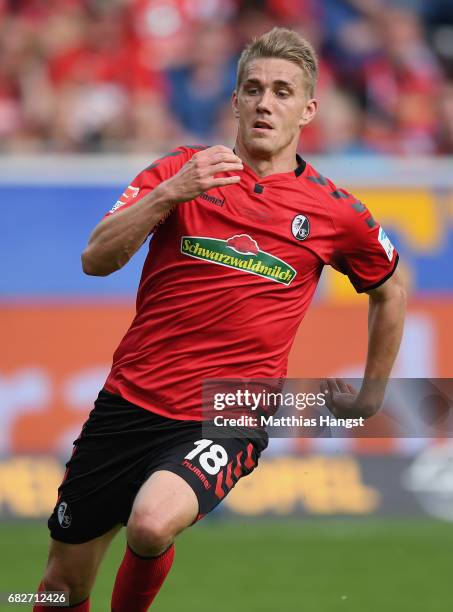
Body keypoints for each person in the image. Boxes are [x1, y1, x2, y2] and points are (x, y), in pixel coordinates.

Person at [34, 27, 406, 612]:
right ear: (234, 101)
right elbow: (95, 259)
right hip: (130, 402)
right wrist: (168, 196)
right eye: (254, 89)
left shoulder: (336, 212)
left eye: (283, 92)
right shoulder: (182, 171)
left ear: (308, 110)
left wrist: (369, 395)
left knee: (152, 523)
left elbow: (391, 288)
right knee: (58, 588)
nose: (265, 102)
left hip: (229, 409)